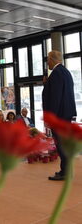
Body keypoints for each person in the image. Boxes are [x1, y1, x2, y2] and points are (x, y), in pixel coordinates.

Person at [42, 50, 77, 181]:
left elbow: (55, 98)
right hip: (66, 114)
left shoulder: (56, 74)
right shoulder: (66, 73)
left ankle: (65, 172)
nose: (47, 62)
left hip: (59, 116)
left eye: (48, 59)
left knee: (61, 144)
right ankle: (66, 170)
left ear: (52, 59)